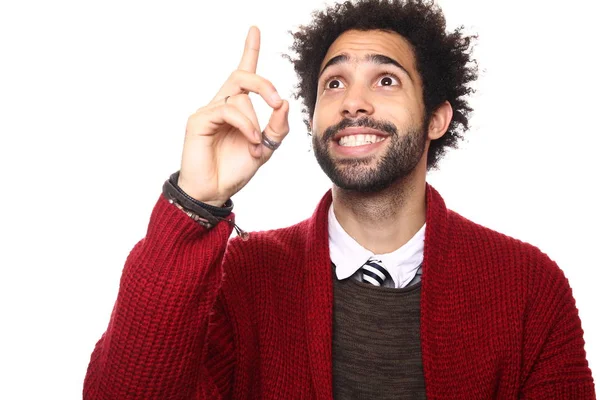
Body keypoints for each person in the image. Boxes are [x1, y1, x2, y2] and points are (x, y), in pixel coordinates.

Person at [83, 0, 595, 398]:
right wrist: (195, 202)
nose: (353, 101)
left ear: (437, 118)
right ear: (313, 121)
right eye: (334, 83)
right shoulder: (244, 274)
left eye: (386, 79)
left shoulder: (528, 285)